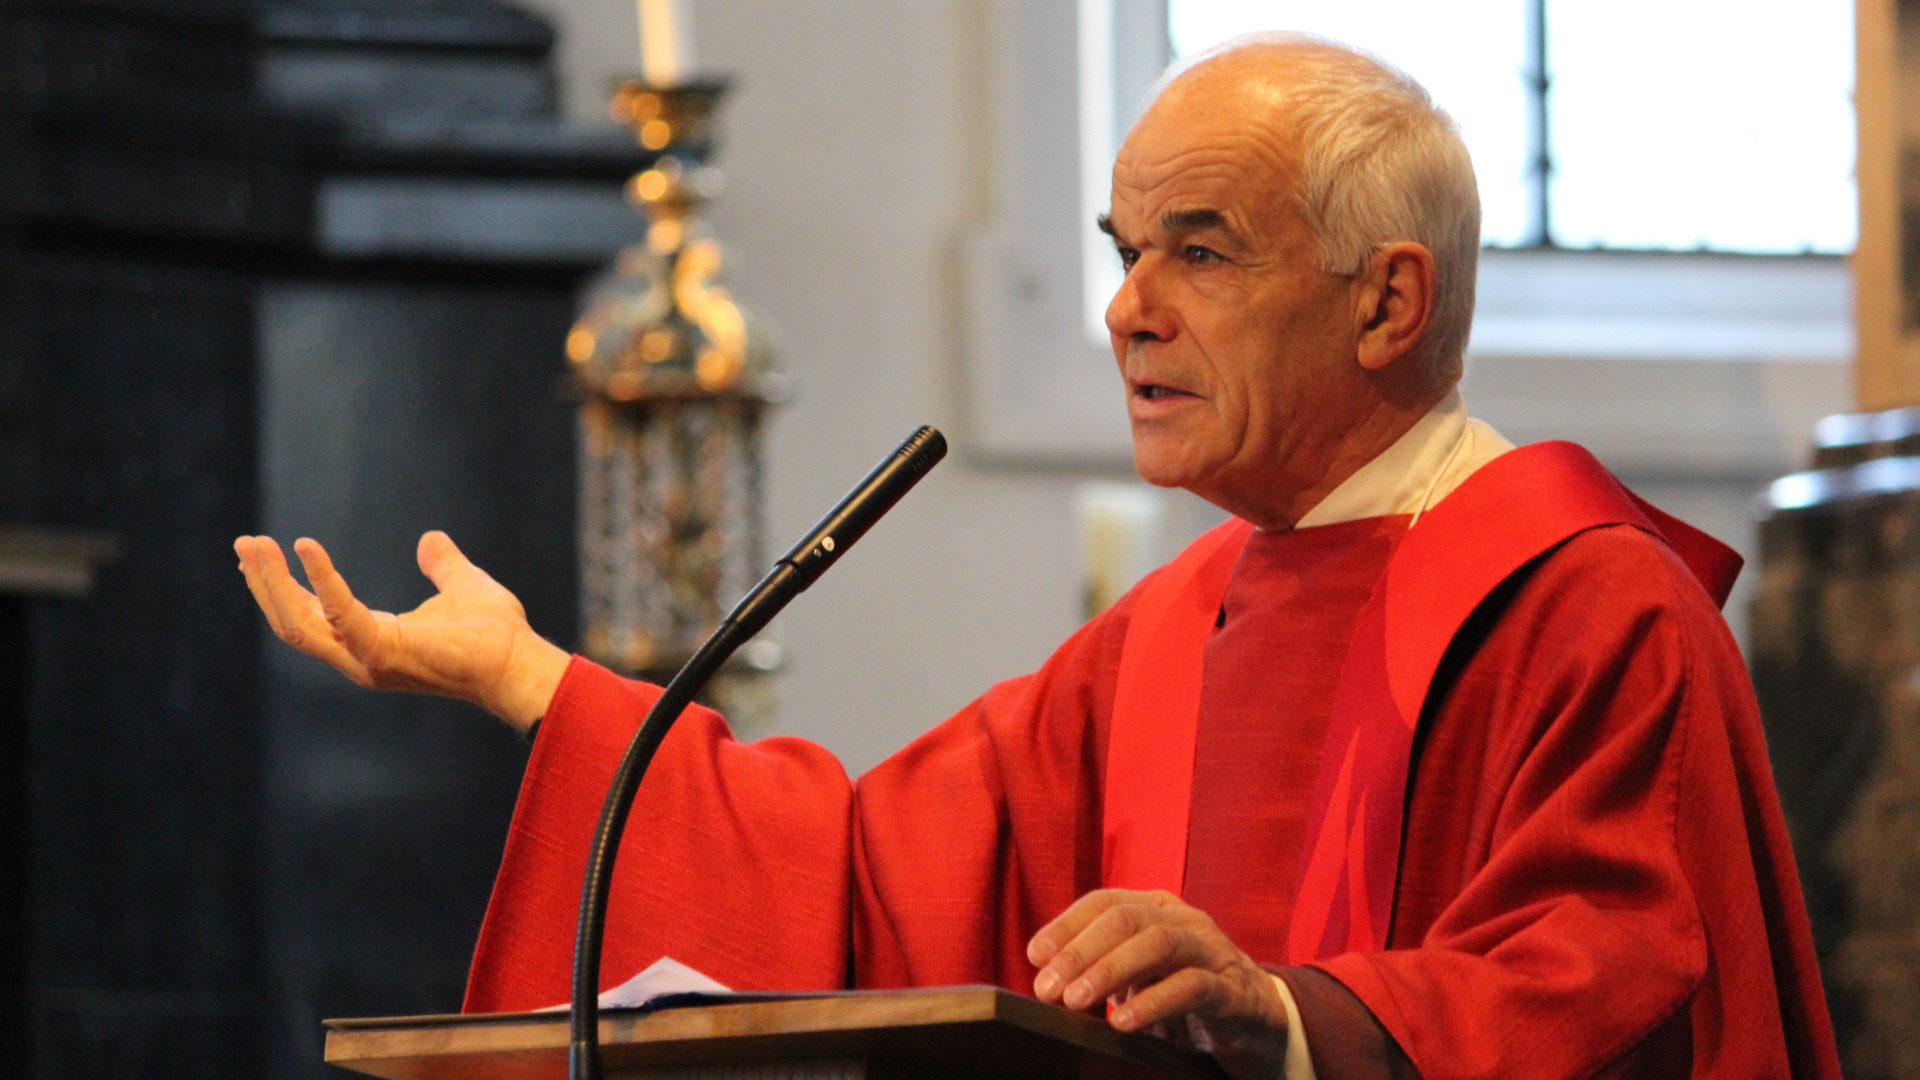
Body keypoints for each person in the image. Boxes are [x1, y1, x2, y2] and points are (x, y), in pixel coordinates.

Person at [235, 33, 1840, 1080]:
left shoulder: (1578, 603)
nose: (1128, 309)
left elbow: (1614, 985)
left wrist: (1279, 1015)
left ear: (1387, 302)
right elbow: (867, 880)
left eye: (1199, 252)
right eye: (1123, 253)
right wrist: (533, 680)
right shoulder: (1172, 634)